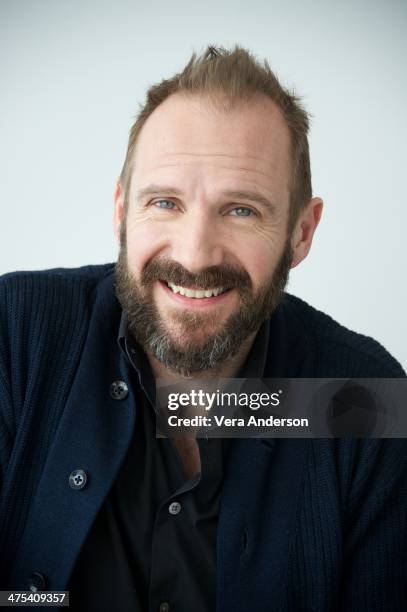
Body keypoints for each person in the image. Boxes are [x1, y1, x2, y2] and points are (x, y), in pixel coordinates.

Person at [0, 45, 406, 611]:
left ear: (302, 232)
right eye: (164, 202)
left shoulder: (369, 400)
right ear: (121, 212)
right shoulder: (12, 336)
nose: (194, 256)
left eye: (241, 210)